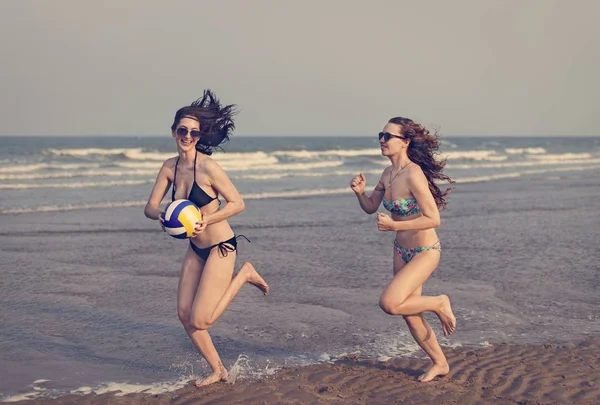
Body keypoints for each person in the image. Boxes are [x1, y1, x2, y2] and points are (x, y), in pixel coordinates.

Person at [144, 90, 270, 388]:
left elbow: (238, 203)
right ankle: (219, 370)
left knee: (201, 320)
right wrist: (160, 214)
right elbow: (149, 206)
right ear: (173, 131)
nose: (187, 135)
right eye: (182, 130)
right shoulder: (169, 167)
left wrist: (207, 219)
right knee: (184, 316)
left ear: (200, 136)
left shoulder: (209, 168)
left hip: (221, 247)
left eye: (193, 132)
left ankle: (244, 275)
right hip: (196, 248)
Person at [350, 116, 456, 382]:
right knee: (409, 313)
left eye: (388, 136)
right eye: (380, 136)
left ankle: (439, 302)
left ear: (405, 142)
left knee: (389, 303)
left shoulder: (413, 174)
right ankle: (440, 363)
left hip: (425, 250)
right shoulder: (387, 174)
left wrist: (394, 225)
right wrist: (360, 193)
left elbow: (434, 218)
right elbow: (371, 206)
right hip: (401, 251)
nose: (382, 141)